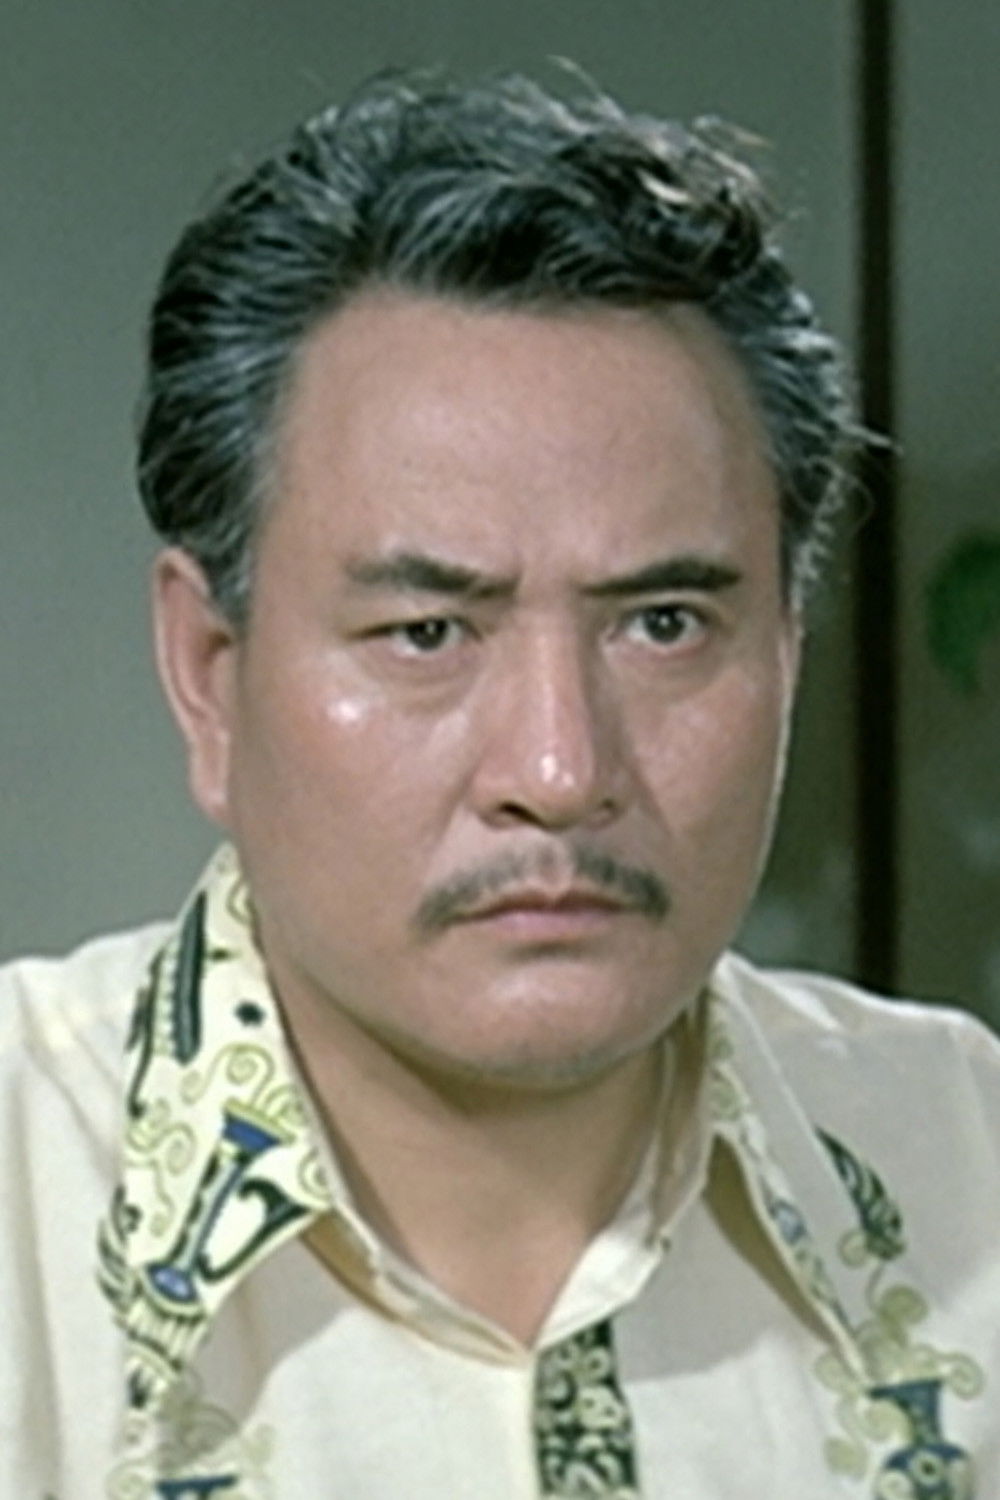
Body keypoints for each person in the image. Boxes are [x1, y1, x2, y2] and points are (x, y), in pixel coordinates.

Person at [2, 68, 997, 1500]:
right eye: (428, 633)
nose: (559, 771)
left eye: (664, 624)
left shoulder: (966, 1160)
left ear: (786, 651)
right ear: (211, 673)